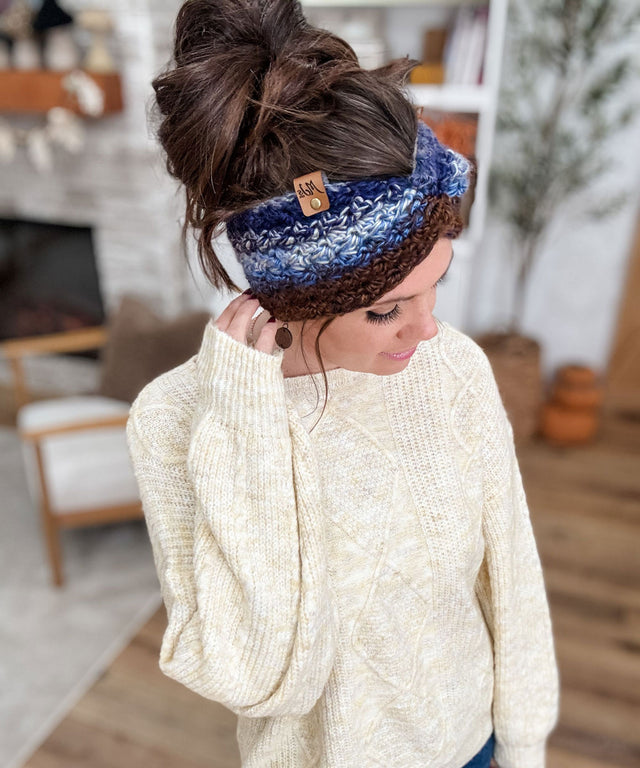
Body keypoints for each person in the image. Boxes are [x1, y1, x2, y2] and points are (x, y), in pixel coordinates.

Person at [125, 1, 560, 767]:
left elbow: (513, 581)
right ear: (293, 297)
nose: (427, 330)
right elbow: (255, 678)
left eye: (436, 287)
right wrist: (248, 425)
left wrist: (524, 747)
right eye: (387, 309)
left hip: (471, 747)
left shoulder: (454, 369)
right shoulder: (175, 422)